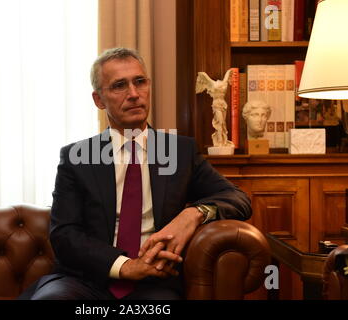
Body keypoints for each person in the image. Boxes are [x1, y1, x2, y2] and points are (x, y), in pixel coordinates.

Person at [18, 47, 251, 300]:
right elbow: (65, 234)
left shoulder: (179, 152)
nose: (133, 94)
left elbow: (237, 198)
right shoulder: (77, 157)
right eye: (119, 85)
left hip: (155, 282)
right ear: (99, 100)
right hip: (86, 279)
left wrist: (194, 213)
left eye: (139, 82)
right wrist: (125, 266)